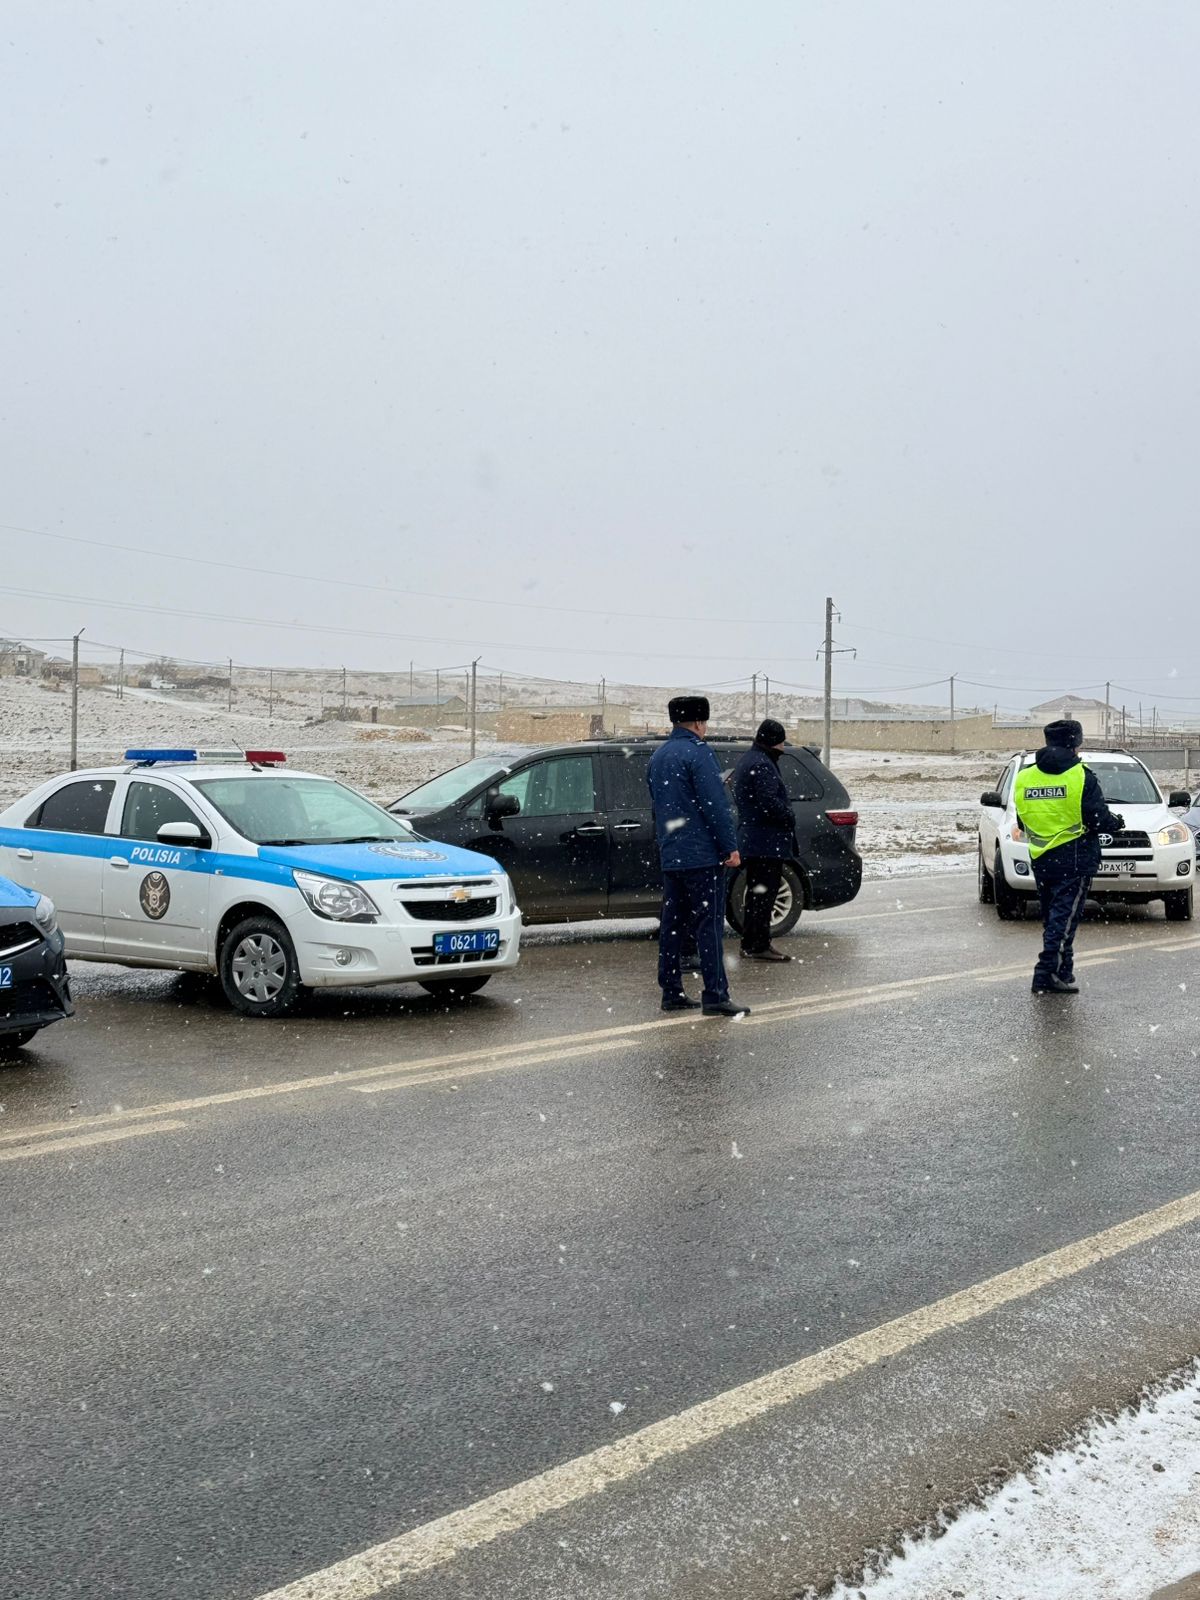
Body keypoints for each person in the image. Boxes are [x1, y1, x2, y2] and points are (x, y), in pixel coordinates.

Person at [647, 695, 749, 1017]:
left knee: (672, 925)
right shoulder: (699, 753)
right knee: (709, 925)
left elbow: (658, 806)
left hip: (672, 853)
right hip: (702, 855)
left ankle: (671, 991)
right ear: (699, 722)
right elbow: (715, 805)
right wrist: (729, 846)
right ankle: (715, 994)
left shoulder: (658, 756)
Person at [1013, 718, 1125, 995]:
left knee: (1054, 917)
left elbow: (1022, 819)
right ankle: (1046, 973)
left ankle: (1063, 970)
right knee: (1064, 919)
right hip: (1075, 855)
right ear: (1074, 744)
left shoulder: (1025, 776)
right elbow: (1097, 818)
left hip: (1041, 856)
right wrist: (1115, 822)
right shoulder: (1080, 775)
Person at [732, 719, 798, 961]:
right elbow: (768, 802)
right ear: (772, 742)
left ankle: (751, 942)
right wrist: (788, 815)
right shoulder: (761, 764)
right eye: (780, 743)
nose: (783, 748)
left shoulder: (750, 759)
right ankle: (758, 944)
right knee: (763, 895)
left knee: (756, 894)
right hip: (766, 841)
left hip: (755, 839)